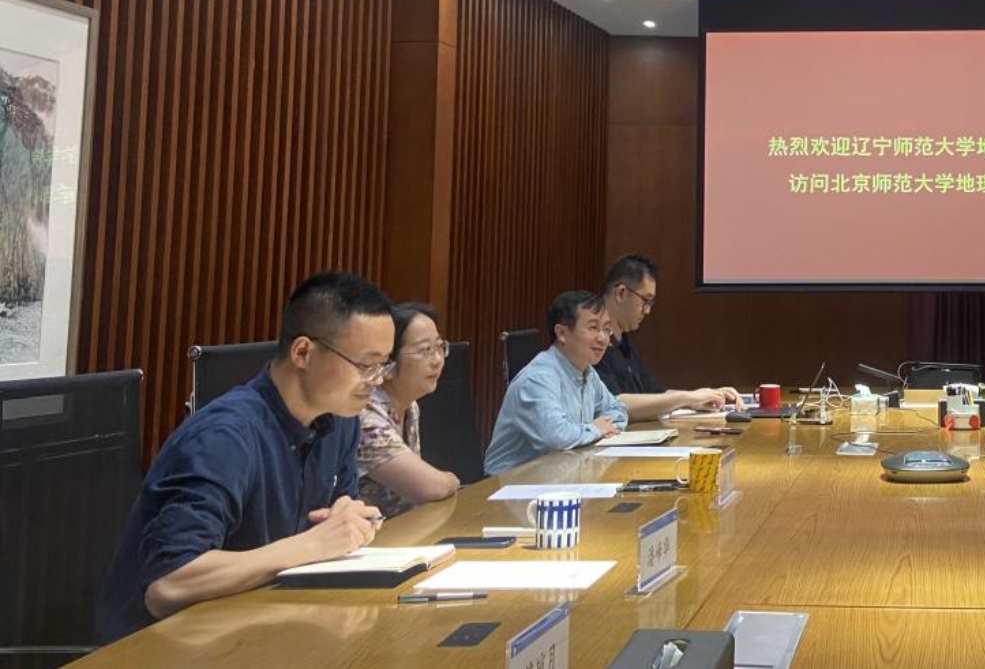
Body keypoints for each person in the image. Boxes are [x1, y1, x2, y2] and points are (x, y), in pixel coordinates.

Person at [96, 272, 394, 642]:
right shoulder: (224, 437)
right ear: (303, 352)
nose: (377, 380)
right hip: (161, 647)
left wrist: (349, 521)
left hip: (264, 628)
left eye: (384, 365)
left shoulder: (339, 422)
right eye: (366, 365)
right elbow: (169, 584)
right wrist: (312, 545)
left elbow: (334, 522)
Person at [484, 291, 630, 475]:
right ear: (561, 333)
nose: (602, 338)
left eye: (606, 329)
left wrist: (603, 429)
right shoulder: (538, 378)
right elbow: (556, 437)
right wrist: (595, 429)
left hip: (560, 475)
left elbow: (618, 410)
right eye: (593, 328)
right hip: (507, 484)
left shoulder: (587, 371)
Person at [594, 254, 739, 420]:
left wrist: (697, 398)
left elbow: (653, 394)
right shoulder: (592, 342)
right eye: (645, 300)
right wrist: (687, 398)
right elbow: (613, 403)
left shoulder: (625, 341)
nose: (647, 311)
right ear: (621, 293)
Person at [356, 302, 461, 518]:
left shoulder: (410, 406)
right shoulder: (364, 416)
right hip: (369, 534)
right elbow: (430, 488)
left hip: (402, 528)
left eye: (439, 347)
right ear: (386, 363)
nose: (437, 360)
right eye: (425, 350)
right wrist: (452, 480)